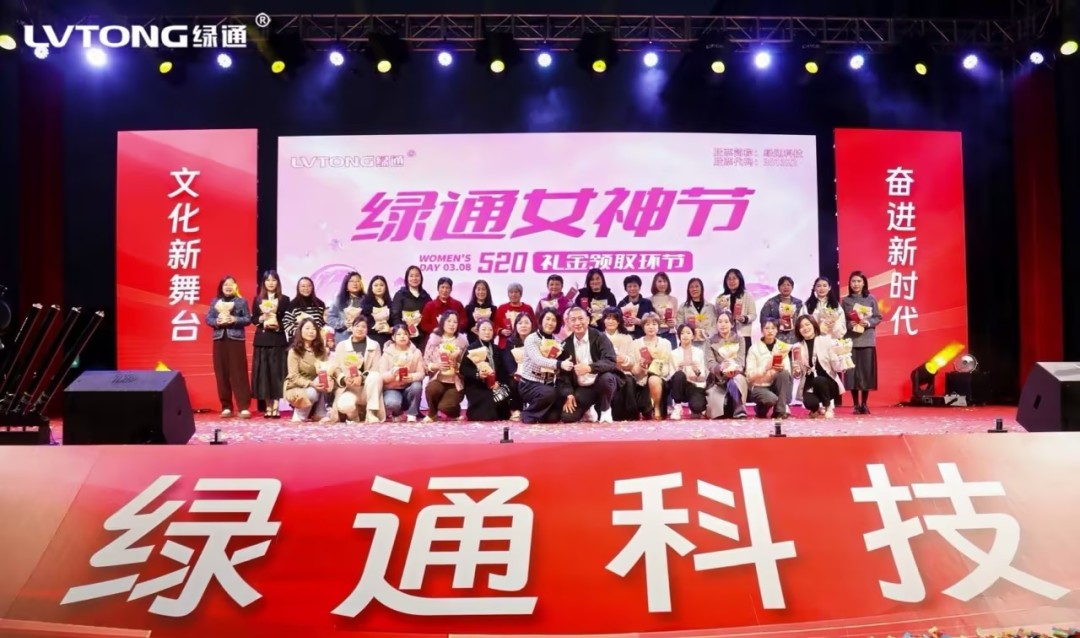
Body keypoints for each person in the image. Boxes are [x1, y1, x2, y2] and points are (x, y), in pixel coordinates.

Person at [556, 306, 618, 423]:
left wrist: (590, 368)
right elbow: (563, 375)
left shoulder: (600, 337)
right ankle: (589, 408)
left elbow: (610, 361)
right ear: (568, 322)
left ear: (588, 320)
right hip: (583, 387)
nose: (577, 323)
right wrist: (569, 394)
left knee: (607, 378)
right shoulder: (565, 345)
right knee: (568, 417)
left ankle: (605, 409)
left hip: (601, 382)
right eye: (573, 320)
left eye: (581, 318)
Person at [205, 275, 252, 418]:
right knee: (222, 373)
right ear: (221, 287)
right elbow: (208, 318)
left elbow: (248, 319)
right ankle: (226, 406)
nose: (228, 287)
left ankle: (243, 407)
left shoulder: (241, 301)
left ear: (235, 287)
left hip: (236, 339)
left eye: (231, 284)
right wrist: (217, 321)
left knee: (239, 373)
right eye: (225, 284)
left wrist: (234, 319)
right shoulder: (215, 301)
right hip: (219, 340)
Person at [330, 315, 385, 423]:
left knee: (376, 376)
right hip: (349, 388)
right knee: (344, 405)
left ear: (367, 329)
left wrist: (362, 378)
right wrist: (344, 379)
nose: (360, 329)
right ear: (351, 328)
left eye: (363, 327)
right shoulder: (341, 346)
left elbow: (376, 368)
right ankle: (354, 416)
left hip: (367, 388)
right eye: (357, 326)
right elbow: (336, 368)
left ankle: (371, 413)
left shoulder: (374, 345)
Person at [842, 270, 883, 414]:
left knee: (866, 373)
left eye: (859, 281)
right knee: (852, 374)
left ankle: (864, 403)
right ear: (849, 283)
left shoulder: (871, 299)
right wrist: (849, 324)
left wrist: (868, 322)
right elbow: (842, 320)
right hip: (851, 341)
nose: (856, 284)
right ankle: (855, 404)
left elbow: (878, 317)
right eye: (853, 281)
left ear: (864, 283)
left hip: (867, 341)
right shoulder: (846, 301)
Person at [251, 270, 289, 419]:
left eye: (274, 280)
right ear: (264, 283)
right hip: (262, 340)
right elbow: (253, 319)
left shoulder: (285, 300)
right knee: (264, 374)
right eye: (268, 280)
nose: (271, 283)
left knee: (277, 373)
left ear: (278, 282)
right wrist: (262, 318)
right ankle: (268, 405)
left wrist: (278, 325)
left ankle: (276, 405)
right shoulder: (257, 299)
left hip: (278, 340)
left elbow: (287, 319)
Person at [516, 308, 565, 424]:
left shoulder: (558, 342)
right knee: (549, 393)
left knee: (553, 418)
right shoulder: (531, 339)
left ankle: (539, 411)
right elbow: (538, 360)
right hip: (529, 383)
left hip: (548, 383)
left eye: (554, 320)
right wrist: (559, 364)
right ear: (541, 320)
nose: (550, 323)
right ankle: (528, 414)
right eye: (547, 319)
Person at [792, 315, 845, 419]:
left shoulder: (826, 341)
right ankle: (815, 409)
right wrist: (796, 371)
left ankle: (828, 407)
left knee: (819, 380)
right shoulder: (797, 347)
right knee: (809, 403)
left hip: (828, 383)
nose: (805, 328)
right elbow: (797, 375)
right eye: (801, 327)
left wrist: (842, 360)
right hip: (809, 384)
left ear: (814, 325)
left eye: (807, 324)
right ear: (798, 330)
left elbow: (836, 367)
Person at [283, 317, 334, 423]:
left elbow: (326, 369)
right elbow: (293, 377)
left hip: (317, 384)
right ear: (300, 331)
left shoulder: (321, 351)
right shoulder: (294, 351)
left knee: (324, 380)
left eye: (314, 329)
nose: (311, 331)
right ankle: (300, 415)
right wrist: (311, 384)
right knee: (312, 392)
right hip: (297, 386)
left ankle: (320, 413)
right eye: (307, 328)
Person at [422, 310, 469, 421]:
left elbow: (467, 364)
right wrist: (437, 366)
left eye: (455, 322)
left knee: (445, 406)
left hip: (455, 382)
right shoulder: (434, 340)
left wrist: (457, 365)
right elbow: (426, 361)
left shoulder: (462, 342)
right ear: (442, 322)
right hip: (438, 378)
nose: (452, 324)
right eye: (449, 321)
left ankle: (454, 412)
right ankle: (432, 413)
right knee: (432, 389)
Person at [460, 320, 511, 422]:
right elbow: (463, 369)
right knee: (488, 409)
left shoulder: (496, 349)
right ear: (477, 332)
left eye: (490, 330)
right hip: (476, 385)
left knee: (504, 401)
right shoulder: (471, 348)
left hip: (494, 385)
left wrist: (498, 383)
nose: (487, 332)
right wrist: (477, 374)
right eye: (483, 329)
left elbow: (502, 370)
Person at [703, 310, 749, 419]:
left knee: (735, 379)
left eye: (726, 322)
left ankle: (738, 405)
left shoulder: (740, 339)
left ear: (732, 324)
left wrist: (732, 367)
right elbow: (710, 363)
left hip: (736, 375)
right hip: (717, 379)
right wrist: (721, 368)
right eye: (720, 322)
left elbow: (741, 360)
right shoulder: (710, 341)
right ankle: (734, 405)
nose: (723, 324)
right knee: (717, 414)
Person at [745, 319, 793, 419]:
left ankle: (779, 411)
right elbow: (749, 376)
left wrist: (782, 367)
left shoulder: (782, 347)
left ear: (777, 330)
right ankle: (760, 408)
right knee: (771, 399)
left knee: (784, 373)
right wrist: (765, 368)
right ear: (762, 330)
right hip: (759, 387)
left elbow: (788, 372)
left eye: (773, 328)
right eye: (767, 328)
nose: (770, 331)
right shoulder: (754, 348)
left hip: (776, 386)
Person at [630, 312, 674, 419]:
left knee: (653, 379)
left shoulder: (666, 343)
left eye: (654, 324)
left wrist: (655, 367)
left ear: (658, 326)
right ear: (643, 327)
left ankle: (657, 407)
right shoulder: (635, 344)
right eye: (647, 324)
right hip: (642, 381)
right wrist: (641, 367)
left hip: (660, 380)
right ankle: (647, 406)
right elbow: (633, 369)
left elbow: (668, 367)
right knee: (646, 412)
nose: (651, 327)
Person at [379, 324, 425, 422]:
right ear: (393, 337)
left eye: (405, 334)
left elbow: (421, 374)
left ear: (409, 336)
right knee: (392, 403)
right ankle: (397, 412)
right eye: (399, 334)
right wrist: (393, 373)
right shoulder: (387, 353)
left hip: (409, 387)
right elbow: (381, 375)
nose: (402, 337)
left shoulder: (416, 352)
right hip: (392, 388)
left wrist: (411, 377)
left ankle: (412, 413)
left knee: (417, 386)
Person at [669, 324, 708, 418]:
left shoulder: (699, 352)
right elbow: (670, 376)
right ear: (679, 336)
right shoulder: (673, 353)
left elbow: (703, 376)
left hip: (695, 385)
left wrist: (697, 371)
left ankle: (695, 408)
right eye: (682, 333)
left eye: (688, 333)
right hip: (680, 386)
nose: (685, 335)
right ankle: (677, 406)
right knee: (679, 375)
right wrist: (678, 370)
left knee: (697, 407)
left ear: (693, 336)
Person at [716, 268, 758, 353]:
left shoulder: (747, 296)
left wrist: (744, 318)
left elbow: (753, 315)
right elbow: (716, 316)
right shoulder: (721, 298)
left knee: (743, 360)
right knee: (727, 360)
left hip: (743, 335)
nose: (731, 281)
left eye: (734, 278)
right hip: (725, 336)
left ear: (740, 280)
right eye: (729, 279)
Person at [390, 265, 432, 348]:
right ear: (407, 278)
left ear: (421, 278)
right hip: (405, 336)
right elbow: (395, 316)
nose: (414, 278)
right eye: (411, 276)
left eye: (417, 275)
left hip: (422, 337)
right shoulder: (400, 295)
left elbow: (430, 315)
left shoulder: (425, 296)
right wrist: (403, 331)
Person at [326, 270, 365, 341]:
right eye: (351, 281)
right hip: (343, 338)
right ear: (346, 285)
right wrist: (343, 323)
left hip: (362, 338)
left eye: (357, 281)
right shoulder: (339, 300)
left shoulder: (366, 300)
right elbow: (330, 319)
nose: (355, 283)